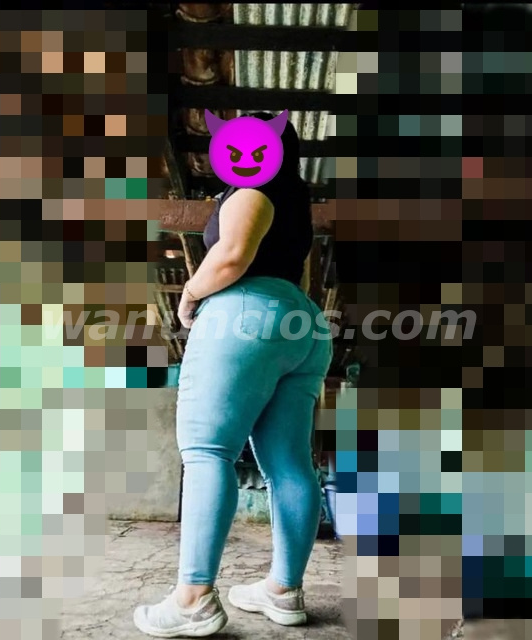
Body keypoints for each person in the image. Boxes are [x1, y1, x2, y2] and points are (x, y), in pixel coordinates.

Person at [134, 113, 334, 637]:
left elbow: (233, 255)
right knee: (290, 464)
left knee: (208, 451)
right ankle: (283, 590)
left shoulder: (252, 187)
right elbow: (292, 277)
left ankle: (192, 598)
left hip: (244, 314)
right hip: (303, 325)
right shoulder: (294, 203)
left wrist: (190, 293)